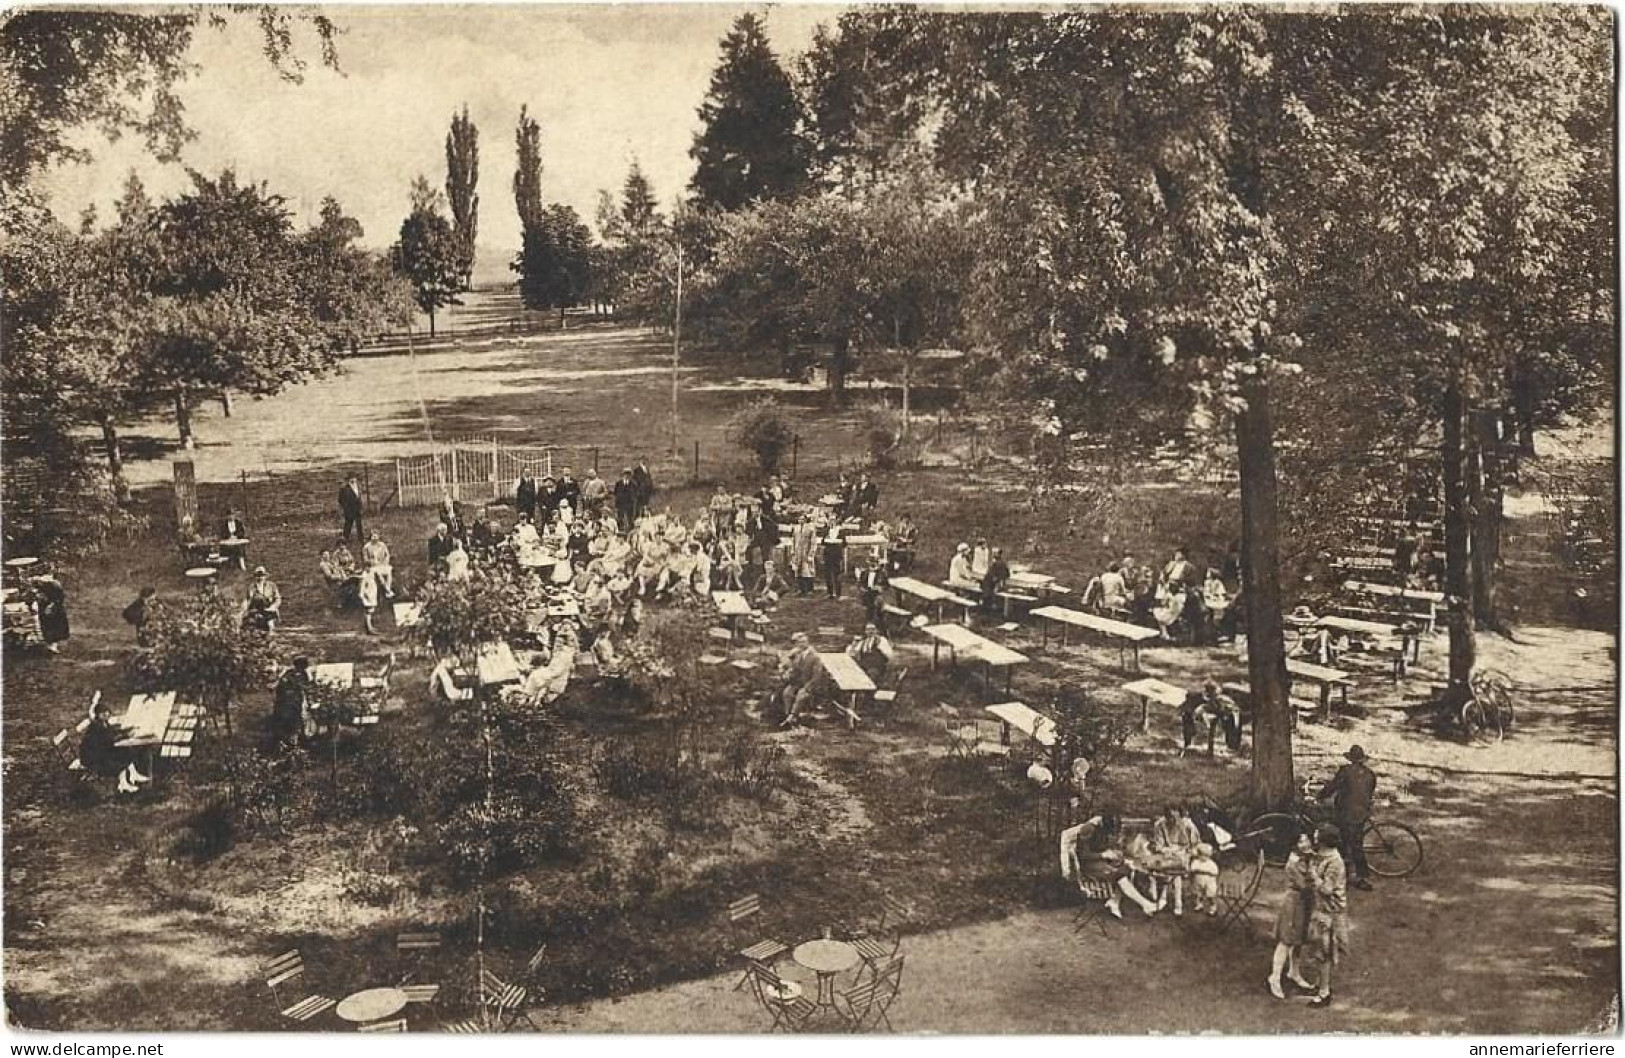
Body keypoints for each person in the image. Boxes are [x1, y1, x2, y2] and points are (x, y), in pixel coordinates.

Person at [1066, 814, 1160, 919]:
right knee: (1118, 874)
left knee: (1127, 868)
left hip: (1099, 862)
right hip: (1088, 866)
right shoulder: (1088, 829)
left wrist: (1113, 853)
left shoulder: (1103, 828)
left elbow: (1101, 846)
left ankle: (1114, 902)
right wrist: (1103, 855)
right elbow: (1082, 856)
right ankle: (1145, 904)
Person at [1267, 832, 1319, 998]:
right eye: (1301, 841)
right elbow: (1305, 884)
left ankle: (1294, 972)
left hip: (1305, 901)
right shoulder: (1294, 863)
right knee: (1287, 940)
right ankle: (1274, 977)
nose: (1306, 843)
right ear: (1294, 845)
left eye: (1307, 840)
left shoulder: (1307, 857)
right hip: (1294, 902)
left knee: (1300, 939)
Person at [1319, 745, 1377, 891]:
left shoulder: (1345, 771)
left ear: (1351, 759)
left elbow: (1333, 787)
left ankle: (1361, 877)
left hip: (1346, 812)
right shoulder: (1370, 774)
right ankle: (1346, 870)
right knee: (1352, 840)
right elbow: (1369, 792)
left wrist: (1320, 796)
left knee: (1349, 842)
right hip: (1362, 812)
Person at [1306, 824, 1350, 1007]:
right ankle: (1321, 985)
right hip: (1322, 910)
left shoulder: (1334, 862)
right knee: (1320, 951)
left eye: (1317, 835)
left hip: (1329, 913)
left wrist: (1313, 874)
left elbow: (1326, 889)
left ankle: (1324, 993)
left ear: (1323, 840)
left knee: (1324, 953)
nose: (1314, 836)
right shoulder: (1325, 856)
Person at [79, 696, 152, 793]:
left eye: (107, 712)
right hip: (93, 759)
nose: (106, 714)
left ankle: (133, 775)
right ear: (98, 715)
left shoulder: (103, 723)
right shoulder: (97, 727)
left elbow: (112, 732)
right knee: (119, 756)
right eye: (103, 713)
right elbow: (109, 741)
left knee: (126, 751)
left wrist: (126, 730)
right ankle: (123, 784)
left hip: (99, 752)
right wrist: (124, 735)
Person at [777, 632, 825, 727]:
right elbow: (793, 668)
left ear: (807, 642)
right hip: (798, 682)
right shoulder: (798, 654)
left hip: (811, 684)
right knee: (787, 693)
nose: (801, 644)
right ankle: (789, 715)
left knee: (800, 695)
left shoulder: (815, 656)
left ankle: (792, 717)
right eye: (799, 642)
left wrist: (808, 686)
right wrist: (786, 672)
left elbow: (817, 675)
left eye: (803, 642)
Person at [269, 657, 312, 751]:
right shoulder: (288, 673)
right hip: (285, 702)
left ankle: (294, 743)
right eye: (303, 665)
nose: (304, 667)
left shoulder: (304, 675)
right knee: (284, 721)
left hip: (296, 702)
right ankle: (282, 743)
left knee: (295, 720)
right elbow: (282, 685)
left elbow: (306, 686)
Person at [243, 567, 281, 632]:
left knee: (270, 626)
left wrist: (273, 607)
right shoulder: (251, 587)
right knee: (254, 628)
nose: (260, 578)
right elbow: (248, 600)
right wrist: (245, 609)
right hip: (256, 610)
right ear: (255, 577)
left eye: (262, 576)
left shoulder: (271, 586)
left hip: (269, 611)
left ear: (265, 576)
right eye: (258, 576)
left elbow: (277, 599)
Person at [856, 553, 888, 624]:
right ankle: (868, 623)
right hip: (867, 593)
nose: (873, 565)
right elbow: (860, 583)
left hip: (877, 594)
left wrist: (880, 588)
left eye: (875, 563)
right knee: (868, 610)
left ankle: (878, 623)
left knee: (877, 607)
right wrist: (862, 588)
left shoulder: (882, 573)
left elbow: (886, 585)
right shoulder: (864, 573)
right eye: (871, 563)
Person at [790, 515, 819, 595]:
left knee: (808, 570)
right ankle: (800, 589)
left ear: (806, 520)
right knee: (798, 570)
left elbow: (813, 542)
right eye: (799, 519)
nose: (801, 521)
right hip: (797, 552)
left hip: (806, 551)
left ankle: (810, 589)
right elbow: (793, 539)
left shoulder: (810, 528)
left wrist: (811, 553)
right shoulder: (796, 528)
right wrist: (792, 550)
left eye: (803, 519)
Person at [362, 531, 395, 598]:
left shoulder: (382, 545)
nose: (375, 538)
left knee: (389, 570)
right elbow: (365, 560)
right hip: (372, 567)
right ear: (370, 537)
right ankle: (387, 590)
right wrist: (372, 562)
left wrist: (386, 562)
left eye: (376, 536)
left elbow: (387, 555)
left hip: (382, 565)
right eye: (373, 537)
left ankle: (388, 588)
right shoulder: (366, 547)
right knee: (378, 572)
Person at [820, 520, 846, 600]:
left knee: (837, 574)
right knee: (827, 575)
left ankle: (838, 594)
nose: (831, 523)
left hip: (836, 555)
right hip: (827, 554)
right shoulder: (826, 531)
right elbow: (823, 542)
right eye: (830, 521)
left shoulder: (840, 531)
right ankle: (830, 593)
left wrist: (836, 542)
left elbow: (844, 543)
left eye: (833, 521)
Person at [980, 547, 1010, 613]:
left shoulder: (999, 563)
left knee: (987, 590)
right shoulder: (996, 563)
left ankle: (988, 607)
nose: (993, 554)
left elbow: (1004, 575)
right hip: (992, 584)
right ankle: (987, 605)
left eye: (995, 553)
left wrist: (997, 579)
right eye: (993, 553)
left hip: (995, 585)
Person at [338, 475, 365, 542]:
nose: (353, 480)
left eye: (354, 479)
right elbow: (340, 499)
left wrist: (360, 506)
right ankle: (345, 538)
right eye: (351, 479)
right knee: (348, 524)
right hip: (349, 510)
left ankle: (361, 538)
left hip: (357, 509)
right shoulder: (344, 488)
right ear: (348, 480)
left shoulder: (358, 487)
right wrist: (346, 507)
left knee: (359, 525)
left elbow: (359, 498)